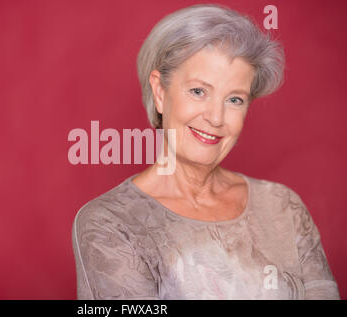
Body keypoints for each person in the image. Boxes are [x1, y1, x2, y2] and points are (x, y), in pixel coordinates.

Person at [72, 4, 340, 299]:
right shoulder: (111, 224)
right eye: (198, 91)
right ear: (160, 92)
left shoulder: (283, 207)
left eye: (235, 99)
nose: (215, 117)